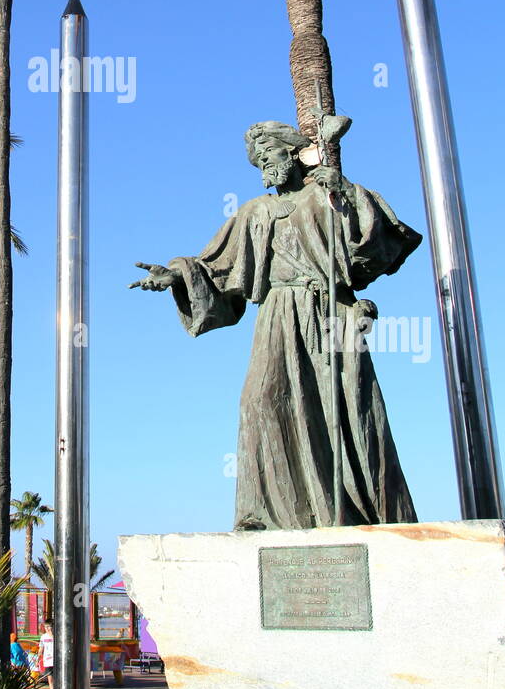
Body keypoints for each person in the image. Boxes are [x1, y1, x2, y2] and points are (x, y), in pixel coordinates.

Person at [132, 118, 421, 530]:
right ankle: (266, 515)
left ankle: (354, 513)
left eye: (269, 155)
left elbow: (373, 250)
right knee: (262, 401)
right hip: (277, 315)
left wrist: (345, 191)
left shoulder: (327, 196)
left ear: (292, 153)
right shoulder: (255, 212)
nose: (264, 165)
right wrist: (175, 275)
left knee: (344, 410)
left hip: (329, 313)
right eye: (259, 159)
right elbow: (216, 267)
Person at [37, 620, 54, 689]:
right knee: (50, 680)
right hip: (47, 661)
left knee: (58, 679)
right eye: (45, 627)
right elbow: (41, 648)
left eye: (49, 627)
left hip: (57, 661)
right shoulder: (43, 637)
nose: (47, 629)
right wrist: (38, 657)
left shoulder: (57, 636)